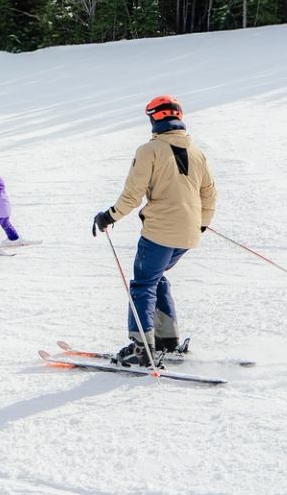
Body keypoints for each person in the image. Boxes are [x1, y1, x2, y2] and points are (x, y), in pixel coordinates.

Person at [91, 94, 216, 366]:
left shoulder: (149, 151)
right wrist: (202, 222)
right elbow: (209, 194)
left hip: (160, 231)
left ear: (153, 119)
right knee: (156, 278)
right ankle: (166, 340)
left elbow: (133, 194)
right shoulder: (197, 153)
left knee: (143, 283)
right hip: (188, 233)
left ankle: (141, 348)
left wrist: (109, 216)